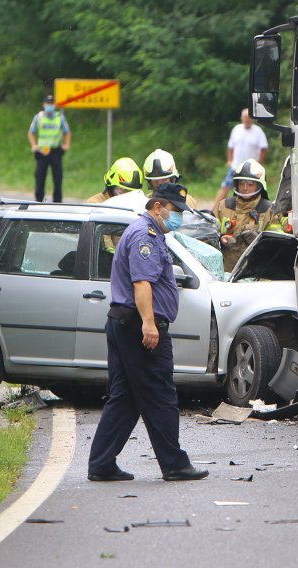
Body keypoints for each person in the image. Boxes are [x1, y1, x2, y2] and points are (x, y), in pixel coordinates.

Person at [87, 182, 209, 483]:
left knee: (124, 398)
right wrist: (150, 323)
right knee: (161, 396)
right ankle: (175, 464)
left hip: (124, 323)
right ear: (158, 207)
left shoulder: (144, 232)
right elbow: (142, 284)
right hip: (138, 327)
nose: (178, 216)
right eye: (175, 210)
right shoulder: (146, 235)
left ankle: (101, 463)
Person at [213, 159, 283, 272]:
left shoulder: (269, 210)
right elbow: (209, 234)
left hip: (255, 273)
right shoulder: (224, 206)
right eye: (241, 183)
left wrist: (258, 240)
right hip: (225, 272)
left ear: (260, 185)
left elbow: (277, 245)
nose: (245, 188)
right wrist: (221, 238)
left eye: (250, 184)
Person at [215, 108, 268, 204]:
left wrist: (259, 162)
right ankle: (213, 211)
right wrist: (230, 160)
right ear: (241, 118)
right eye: (245, 117)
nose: (247, 119)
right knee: (225, 187)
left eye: (249, 117)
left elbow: (264, 148)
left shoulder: (258, 131)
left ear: (252, 118)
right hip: (236, 167)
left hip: (251, 169)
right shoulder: (236, 129)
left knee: (250, 191)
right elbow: (230, 147)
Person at [27, 95, 71, 202]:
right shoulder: (39, 117)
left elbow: (67, 132)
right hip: (42, 151)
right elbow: (31, 133)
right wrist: (34, 145)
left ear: (54, 105)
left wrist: (66, 145)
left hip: (55, 151)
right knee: (40, 177)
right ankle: (38, 201)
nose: (50, 106)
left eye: (51, 103)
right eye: (48, 103)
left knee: (58, 178)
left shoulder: (59, 117)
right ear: (44, 105)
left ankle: (57, 202)